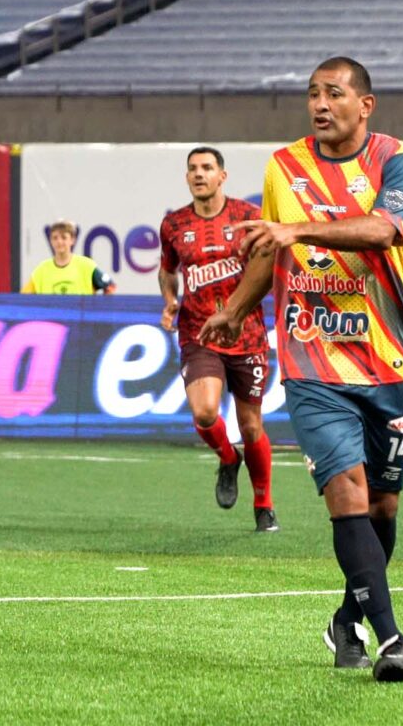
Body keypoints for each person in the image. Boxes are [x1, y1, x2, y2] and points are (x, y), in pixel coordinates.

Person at [199, 57, 403, 682]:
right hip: (312, 356)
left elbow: (384, 232)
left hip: (390, 358)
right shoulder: (283, 167)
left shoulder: (398, 161)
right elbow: (271, 257)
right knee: (346, 493)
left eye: (333, 93)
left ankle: (346, 618)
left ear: (365, 105)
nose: (320, 104)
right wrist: (235, 309)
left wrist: (296, 228)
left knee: (382, 506)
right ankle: (392, 642)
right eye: (312, 95)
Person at [159, 146, 278, 532]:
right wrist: (169, 299)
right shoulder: (174, 225)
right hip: (199, 332)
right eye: (193, 168)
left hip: (248, 335)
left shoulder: (248, 217)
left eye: (207, 167)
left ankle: (264, 504)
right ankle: (228, 459)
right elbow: (167, 269)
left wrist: (241, 310)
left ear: (222, 176)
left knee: (252, 426)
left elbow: (265, 270)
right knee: (205, 412)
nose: (199, 174)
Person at [21, 220, 116, 295]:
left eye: (63, 237)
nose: (59, 242)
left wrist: (99, 311)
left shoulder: (87, 266)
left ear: (72, 240)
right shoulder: (41, 270)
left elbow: (110, 286)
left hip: (82, 320)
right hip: (50, 319)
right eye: (55, 238)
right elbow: (22, 298)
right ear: (50, 241)